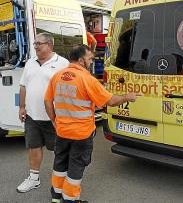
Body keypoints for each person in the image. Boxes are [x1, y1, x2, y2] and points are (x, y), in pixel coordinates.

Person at [44, 44, 142, 203]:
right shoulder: (87, 79)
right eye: (90, 59)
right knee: (76, 166)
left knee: (60, 163)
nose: (91, 62)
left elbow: (47, 102)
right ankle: (69, 199)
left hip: (62, 131)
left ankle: (56, 196)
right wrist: (127, 97)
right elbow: (110, 101)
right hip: (81, 134)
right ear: (82, 60)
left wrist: (55, 121)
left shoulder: (58, 76)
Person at [16, 33, 69, 193]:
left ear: (50, 45)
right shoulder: (30, 62)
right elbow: (23, 86)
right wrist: (21, 107)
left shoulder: (62, 63)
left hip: (53, 117)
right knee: (33, 146)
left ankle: (62, 180)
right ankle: (34, 178)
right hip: (32, 115)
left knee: (58, 150)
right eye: (35, 43)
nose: (36, 46)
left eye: (39, 43)